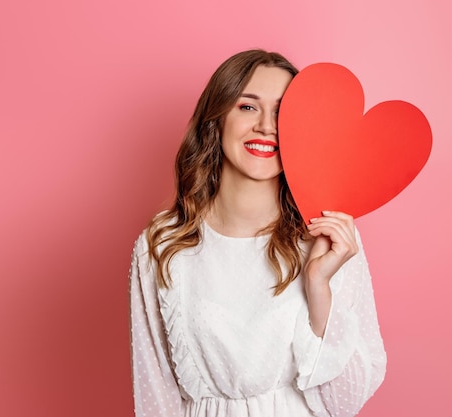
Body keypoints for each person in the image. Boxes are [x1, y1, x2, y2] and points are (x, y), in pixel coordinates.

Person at [129, 49, 386, 417]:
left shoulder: (330, 239)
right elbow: (154, 395)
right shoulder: (162, 244)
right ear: (215, 121)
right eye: (247, 107)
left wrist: (318, 287)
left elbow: (345, 404)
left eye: (283, 113)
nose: (267, 126)